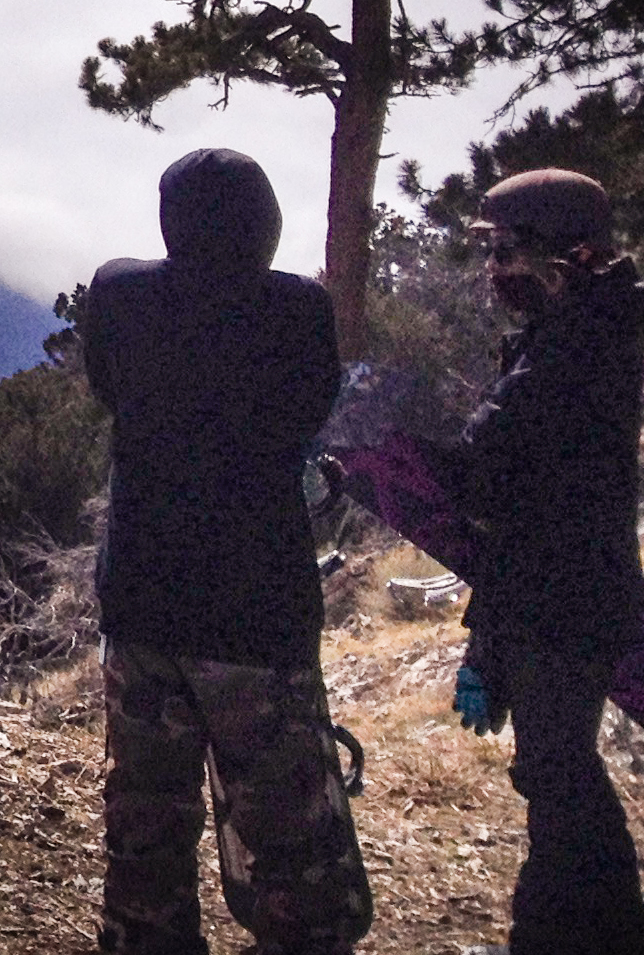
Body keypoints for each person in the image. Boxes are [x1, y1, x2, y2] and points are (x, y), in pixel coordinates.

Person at [79, 146, 371, 954]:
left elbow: (107, 384)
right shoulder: (297, 312)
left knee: (146, 819)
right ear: (267, 225)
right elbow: (309, 408)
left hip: (143, 597)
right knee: (287, 829)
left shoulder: (120, 294)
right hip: (257, 610)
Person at [434, 167, 644, 952]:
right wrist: (488, 637)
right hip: (550, 594)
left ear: (565, 254)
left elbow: (494, 461)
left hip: (566, 600)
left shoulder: (580, 345)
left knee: (561, 779)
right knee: (554, 776)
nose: (494, 275)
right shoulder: (577, 329)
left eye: (506, 255)